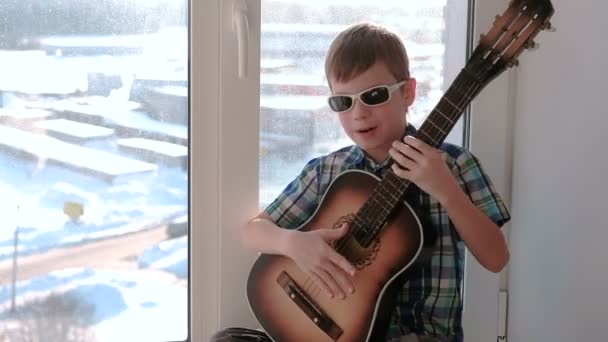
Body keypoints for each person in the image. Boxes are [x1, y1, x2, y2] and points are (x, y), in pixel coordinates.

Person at [211, 22, 511, 342]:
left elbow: (496, 259)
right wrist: (293, 244)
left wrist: (447, 191)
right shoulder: (327, 172)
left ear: (408, 92)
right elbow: (252, 231)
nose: (359, 113)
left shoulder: (455, 165)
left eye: (374, 95)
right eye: (343, 102)